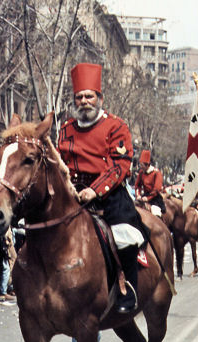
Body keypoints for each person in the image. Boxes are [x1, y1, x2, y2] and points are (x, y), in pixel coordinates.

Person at [58, 63, 144, 314]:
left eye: (89, 96)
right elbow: (61, 163)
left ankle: (128, 290)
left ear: (99, 98)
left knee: (123, 232)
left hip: (108, 194)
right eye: (79, 97)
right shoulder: (65, 129)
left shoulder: (116, 126)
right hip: (73, 192)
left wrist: (95, 190)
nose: (84, 101)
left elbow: (121, 165)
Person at [134, 150, 166, 217]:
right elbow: (137, 186)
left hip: (155, 198)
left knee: (156, 213)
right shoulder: (141, 172)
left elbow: (157, 189)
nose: (141, 167)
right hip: (144, 196)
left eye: (142, 165)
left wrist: (148, 198)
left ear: (147, 165)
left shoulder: (156, 173)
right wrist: (138, 195)